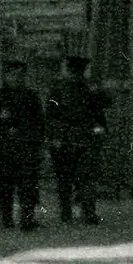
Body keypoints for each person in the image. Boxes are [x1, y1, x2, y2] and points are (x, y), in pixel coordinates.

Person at [0, 65, 47, 229]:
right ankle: (7, 219)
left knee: (28, 186)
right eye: (13, 75)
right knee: (3, 186)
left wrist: (38, 142)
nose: (17, 79)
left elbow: (39, 122)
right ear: (6, 76)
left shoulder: (31, 96)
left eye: (20, 75)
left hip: (26, 148)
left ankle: (27, 219)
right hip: (2, 149)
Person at [46, 54, 111, 226]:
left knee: (72, 177)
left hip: (73, 138)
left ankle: (75, 213)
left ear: (70, 70)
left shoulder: (62, 88)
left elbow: (51, 114)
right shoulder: (63, 89)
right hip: (77, 137)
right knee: (78, 177)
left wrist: (55, 137)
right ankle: (84, 212)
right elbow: (51, 114)